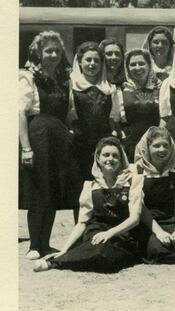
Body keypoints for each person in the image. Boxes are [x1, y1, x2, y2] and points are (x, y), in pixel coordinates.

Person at [33, 137, 141, 273]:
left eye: (115, 155)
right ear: (98, 158)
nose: (110, 159)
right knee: (99, 249)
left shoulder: (131, 182)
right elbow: (82, 223)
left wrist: (109, 233)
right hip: (97, 231)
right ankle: (55, 262)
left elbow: (134, 219)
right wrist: (64, 249)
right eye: (106, 155)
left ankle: (59, 262)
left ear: (121, 160)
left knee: (110, 256)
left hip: (122, 233)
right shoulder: (90, 186)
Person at [19, 31, 82, 260]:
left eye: (57, 50)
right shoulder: (28, 77)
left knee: (53, 189)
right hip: (39, 135)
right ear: (38, 52)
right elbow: (20, 114)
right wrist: (26, 148)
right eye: (49, 51)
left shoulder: (64, 79)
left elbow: (68, 112)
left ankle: (45, 244)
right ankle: (35, 245)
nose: (54, 55)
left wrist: (70, 130)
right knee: (39, 189)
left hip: (59, 137)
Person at [133, 127, 175, 263]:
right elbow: (139, 205)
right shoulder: (138, 169)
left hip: (170, 219)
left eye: (165, 145)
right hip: (148, 221)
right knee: (159, 250)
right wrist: (159, 232)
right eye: (156, 146)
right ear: (147, 147)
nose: (162, 150)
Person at [69, 41, 123, 181]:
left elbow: (113, 118)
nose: (92, 64)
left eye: (96, 61)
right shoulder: (72, 85)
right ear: (80, 62)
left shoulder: (109, 88)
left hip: (102, 144)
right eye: (88, 60)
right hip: (79, 143)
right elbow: (69, 116)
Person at [121, 48, 161, 162]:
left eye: (141, 63)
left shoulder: (161, 87)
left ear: (149, 65)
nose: (137, 67)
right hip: (130, 144)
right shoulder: (122, 89)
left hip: (156, 143)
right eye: (133, 64)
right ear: (127, 67)